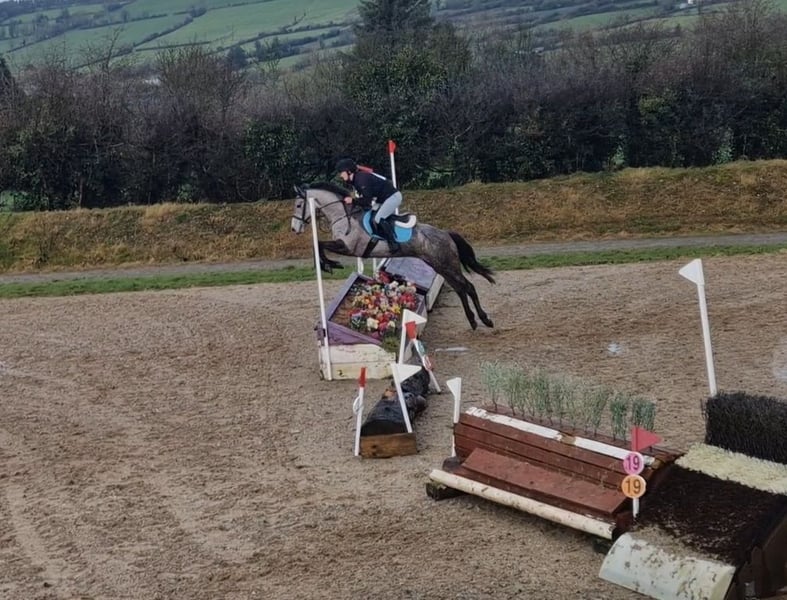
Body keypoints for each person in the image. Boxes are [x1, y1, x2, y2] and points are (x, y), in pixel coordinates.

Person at [335, 158, 402, 252]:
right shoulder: (356, 179)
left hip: (393, 197)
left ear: (349, 171)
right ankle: (381, 239)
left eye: (341, 172)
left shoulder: (361, 179)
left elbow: (367, 201)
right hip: (383, 199)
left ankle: (394, 244)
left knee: (378, 218)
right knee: (371, 217)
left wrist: (352, 201)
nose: (340, 175)